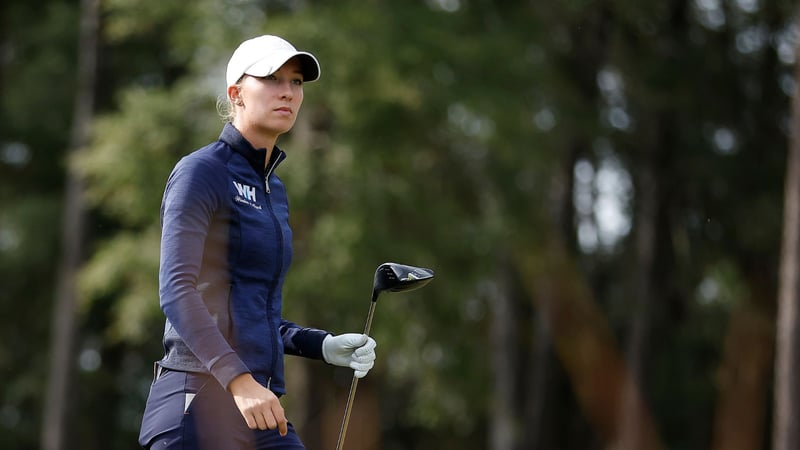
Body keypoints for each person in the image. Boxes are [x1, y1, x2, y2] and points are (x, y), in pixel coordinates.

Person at [138, 35, 377, 450]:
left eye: (297, 81)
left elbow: (251, 312)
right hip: (197, 400)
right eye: (271, 78)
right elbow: (177, 289)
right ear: (236, 94)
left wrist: (322, 344)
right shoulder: (200, 173)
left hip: (259, 407)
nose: (288, 91)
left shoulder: (275, 191)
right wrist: (239, 379)